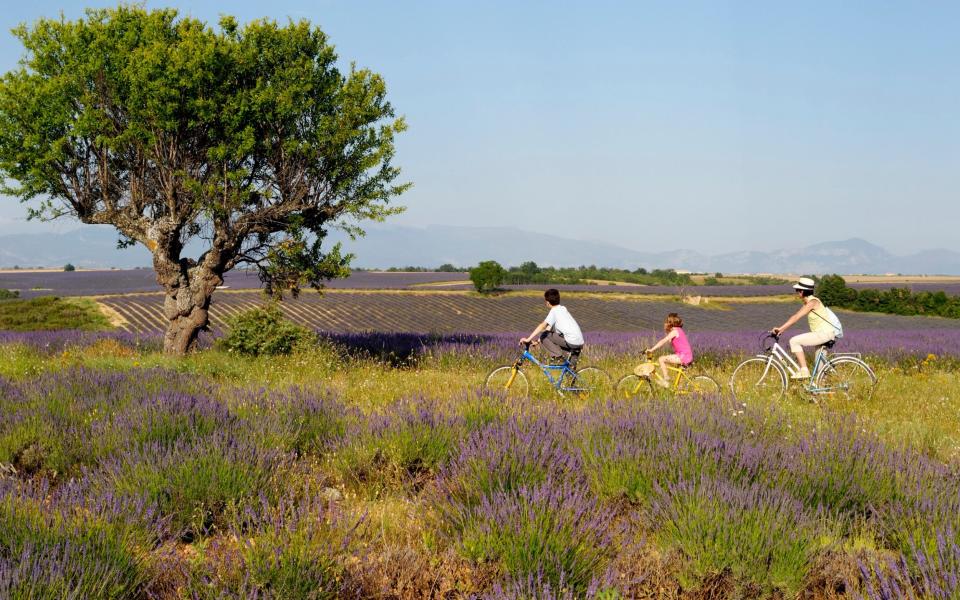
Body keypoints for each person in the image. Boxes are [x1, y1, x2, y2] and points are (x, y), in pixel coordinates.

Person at [771, 277, 844, 379]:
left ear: (802, 292)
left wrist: (781, 329)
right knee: (820, 371)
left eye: (797, 290)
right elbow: (796, 315)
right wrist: (781, 328)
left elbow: (796, 317)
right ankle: (820, 391)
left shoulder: (812, 302)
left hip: (824, 334)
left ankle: (804, 371)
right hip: (824, 334)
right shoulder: (808, 302)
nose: (796, 293)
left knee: (794, 341)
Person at [520, 288, 585, 367]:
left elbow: (542, 326)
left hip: (571, 342)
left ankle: (557, 356)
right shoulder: (563, 309)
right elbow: (549, 328)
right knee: (569, 369)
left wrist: (528, 339)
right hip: (579, 342)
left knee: (544, 334)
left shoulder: (554, 311)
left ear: (547, 302)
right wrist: (537, 341)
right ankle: (572, 377)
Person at [645, 312, 694, 387]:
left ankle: (666, 380)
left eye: (666, 322)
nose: (665, 323)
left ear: (670, 323)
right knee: (679, 381)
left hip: (683, 356)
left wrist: (652, 350)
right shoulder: (678, 330)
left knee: (661, 359)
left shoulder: (675, 331)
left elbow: (663, 341)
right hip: (686, 356)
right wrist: (668, 331)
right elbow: (671, 341)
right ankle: (680, 394)